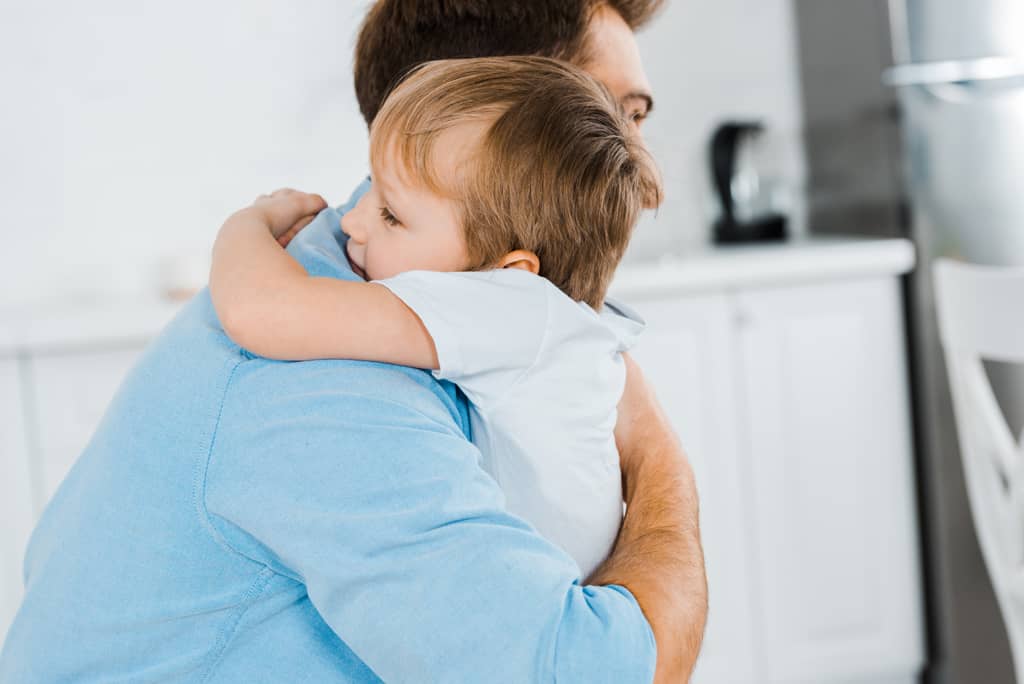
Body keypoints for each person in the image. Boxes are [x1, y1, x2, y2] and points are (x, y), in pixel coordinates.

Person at [0, 2, 707, 682]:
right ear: (485, 107)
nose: (636, 174)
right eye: (609, 119)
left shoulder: (424, 293)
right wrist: (656, 456)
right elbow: (589, 673)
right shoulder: (326, 376)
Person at [209, 56, 659, 580]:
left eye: (391, 215)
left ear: (509, 269)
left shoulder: (512, 307)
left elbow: (261, 311)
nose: (350, 222)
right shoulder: (555, 324)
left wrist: (249, 222)